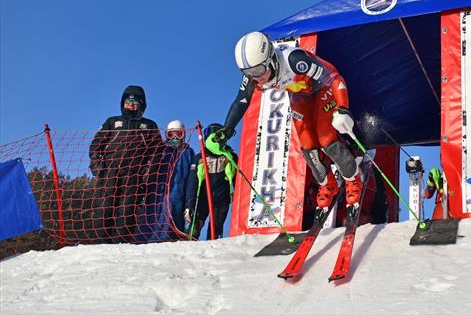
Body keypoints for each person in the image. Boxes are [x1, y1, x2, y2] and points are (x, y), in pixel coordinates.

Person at [209, 31, 364, 212]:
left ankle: (352, 178)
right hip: (299, 95)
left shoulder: (293, 59)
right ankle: (326, 182)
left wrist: (343, 108)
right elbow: (241, 101)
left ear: (270, 59)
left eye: (258, 71)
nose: (256, 78)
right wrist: (227, 130)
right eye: (248, 73)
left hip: (323, 89)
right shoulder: (253, 74)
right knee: (307, 146)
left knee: (326, 140)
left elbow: (334, 78)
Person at [88, 85, 163, 243]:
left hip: (134, 175)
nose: (131, 105)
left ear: (142, 105)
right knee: (105, 205)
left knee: (127, 209)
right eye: (128, 102)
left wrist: (147, 173)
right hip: (109, 171)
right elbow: (96, 144)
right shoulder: (113, 122)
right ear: (123, 103)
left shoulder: (149, 126)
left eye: (136, 102)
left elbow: (157, 152)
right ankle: (100, 242)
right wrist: (96, 164)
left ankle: (121, 243)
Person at [138, 120, 195, 242]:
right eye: (171, 134)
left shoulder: (187, 152)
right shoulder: (160, 150)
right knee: (154, 213)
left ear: (183, 135)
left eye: (178, 134)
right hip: (159, 190)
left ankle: (173, 239)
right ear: (166, 135)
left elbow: (191, 178)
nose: (174, 137)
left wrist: (189, 202)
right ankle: (147, 239)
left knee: (174, 214)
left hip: (178, 191)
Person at [184, 123, 237, 240]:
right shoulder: (200, 157)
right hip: (202, 197)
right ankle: (189, 249)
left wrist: (238, 201)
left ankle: (212, 251)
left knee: (215, 232)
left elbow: (238, 182)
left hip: (221, 199)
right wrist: (189, 205)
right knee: (194, 228)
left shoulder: (231, 157)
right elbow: (192, 183)